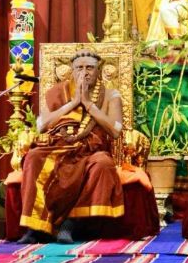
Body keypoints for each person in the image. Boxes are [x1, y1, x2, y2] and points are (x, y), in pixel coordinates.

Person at [18, 49, 124, 244]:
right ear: (72, 71)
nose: (85, 72)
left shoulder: (111, 95)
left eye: (90, 68)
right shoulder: (58, 93)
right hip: (58, 145)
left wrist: (88, 104)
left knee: (103, 165)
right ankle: (35, 227)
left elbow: (115, 130)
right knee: (33, 157)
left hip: (91, 149)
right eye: (79, 68)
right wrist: (73, 103)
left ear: (98, 71)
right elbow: (42, 125)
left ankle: (69, 224)